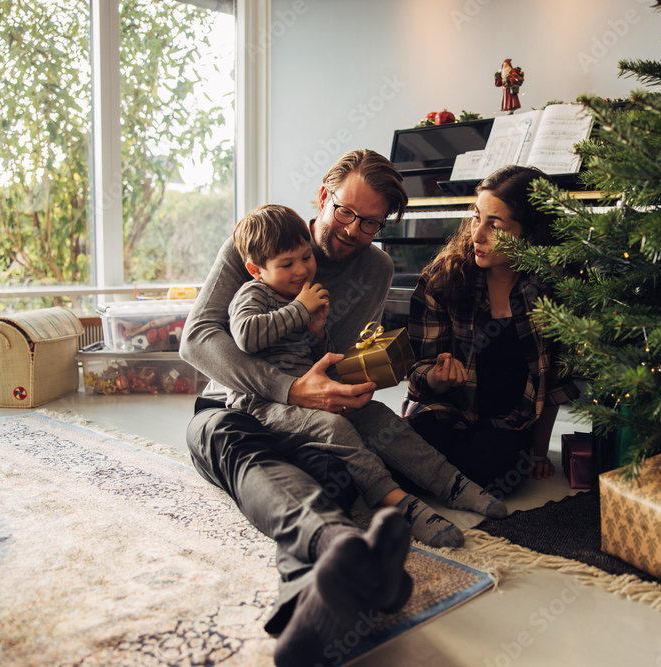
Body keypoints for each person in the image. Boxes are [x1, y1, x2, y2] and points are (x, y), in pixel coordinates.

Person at [180, 150, 491, 667]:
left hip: (317, 417)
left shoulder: (376, 267)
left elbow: (337, 360)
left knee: (334, 472)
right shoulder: (260, 240)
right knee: (248, 456)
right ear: (324, 196)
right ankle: (340, 548)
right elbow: (198, 340)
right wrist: (289, 390)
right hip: (231, 406)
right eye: (345, 211)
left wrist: (356, 383)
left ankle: (325, 584)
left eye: (371, 222)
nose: (353, 229)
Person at [226, 203, 506, 548]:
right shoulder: (252, 295)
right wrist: (300, 311)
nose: (301, 270)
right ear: (256, 269)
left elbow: (318, 358)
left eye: (305, 257)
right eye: (287, 264)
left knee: (378, 416)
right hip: (262, 403)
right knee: (336, 428)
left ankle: (451, 483)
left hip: (312, 391)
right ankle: (400, 506)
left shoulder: (301, 295)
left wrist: (316, 333)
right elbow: (246, 336)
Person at [404, 164, 579, 497]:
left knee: (494, 473)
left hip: (509, 419)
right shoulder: (442, 278)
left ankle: (435, 474)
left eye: (494, 225)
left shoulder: (552, 286)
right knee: (420, 444)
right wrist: (437, 379)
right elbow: (417, 373)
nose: (477, 235)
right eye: (475, 216)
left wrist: (539, 451)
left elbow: (555, 381)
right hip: (448, 407)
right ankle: (430, 469)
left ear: (528, 234)